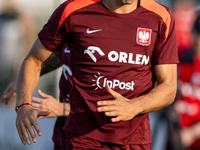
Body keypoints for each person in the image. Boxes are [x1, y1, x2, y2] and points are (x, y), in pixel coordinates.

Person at [15, 0, 179, 149]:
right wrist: (23, 104)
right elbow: (34, 60)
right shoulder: (73, 10)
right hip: (81, 139)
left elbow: (169, 87)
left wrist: (135, 106)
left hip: (135, 141)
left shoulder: (161, 17)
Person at [2, 44, 72, 150]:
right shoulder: (71, 30)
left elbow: (104, 106)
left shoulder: (103, 37)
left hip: (92, 138)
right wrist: (27, 78)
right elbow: (61, 54)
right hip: (65, 135)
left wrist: (64, 108)